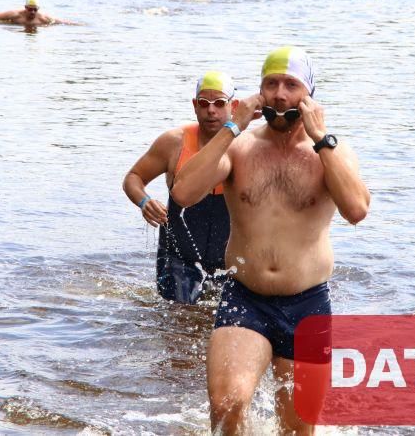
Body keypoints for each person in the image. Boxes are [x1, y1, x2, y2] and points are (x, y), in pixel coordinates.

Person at [171, 47, 370, 435]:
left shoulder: (332, 151)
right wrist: (232, 127)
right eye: (271, 84)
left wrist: (320, 138)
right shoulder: (240, 146)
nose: (280, 94)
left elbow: (357, 210)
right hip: (246, 298)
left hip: (308, 305)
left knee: (297, 430)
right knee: (226, 405)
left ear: (309, 94)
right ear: (259, 92)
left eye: (291, 85)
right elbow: (183, 193)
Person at [123, 71, 235, 304]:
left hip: (229, 256)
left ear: (233, 106)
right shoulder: (174, 142)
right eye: (203, 103)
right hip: (177, 252)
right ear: (195, 106)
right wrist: (144, 202)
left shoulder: (245, 147)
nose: (211, 110)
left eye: (219, 103)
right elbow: (133, 178)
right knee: (179, 315)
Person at [0, 0, 78, 29]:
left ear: (38, 9)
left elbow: (60, 22)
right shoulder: (14, 14)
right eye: (30, 9)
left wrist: (77, 25)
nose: (32, 12)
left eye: (35, 9)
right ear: (25, 7)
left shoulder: (43, 18)